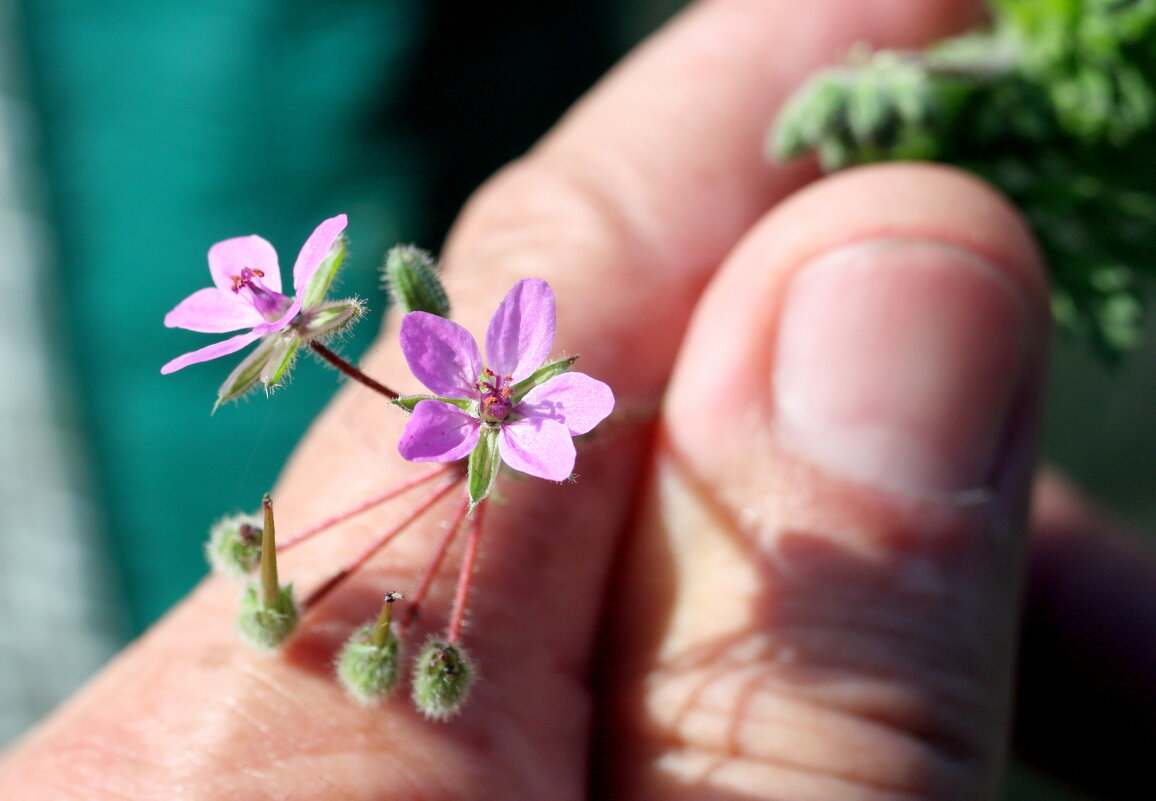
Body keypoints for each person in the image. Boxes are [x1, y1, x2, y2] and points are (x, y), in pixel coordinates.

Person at [1, 1, 1153, 798]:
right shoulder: (469, 415)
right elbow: (481, 431)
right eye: (488, 396)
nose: (496, 399)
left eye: (497, 391)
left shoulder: (499, 389)